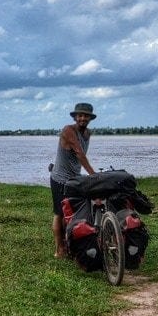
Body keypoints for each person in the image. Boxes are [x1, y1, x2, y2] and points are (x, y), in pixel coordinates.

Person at [50, 102, 96, 258]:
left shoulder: (88, 133)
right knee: (60, 214)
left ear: (90, 118)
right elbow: (79, 154)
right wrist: (93, 175)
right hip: (60, 179)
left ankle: (70, 244)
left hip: (74, 179)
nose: (83, 118)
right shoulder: (68, 130)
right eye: (80, 115)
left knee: (74, 213)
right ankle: (59, 249)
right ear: (75, 117)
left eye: (86, 116)